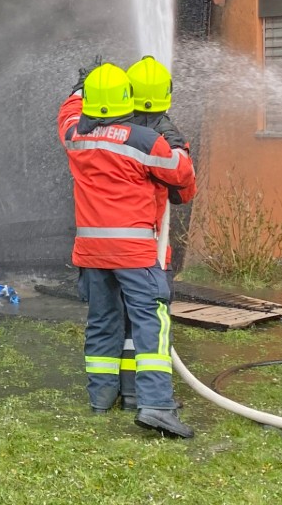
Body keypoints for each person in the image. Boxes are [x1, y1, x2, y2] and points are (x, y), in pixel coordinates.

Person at [59, 62, 197, 438]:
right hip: (135, 252)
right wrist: (178, 146)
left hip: (91, 252)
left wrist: (77, 90)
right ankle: (156, 405)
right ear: (126, 99)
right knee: (151, 324)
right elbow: (182, 178)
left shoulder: (76, 137)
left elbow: (68, 114)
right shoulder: (143, 140)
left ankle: (102, 400)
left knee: (103, 321)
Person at [114, 55, 193, 410]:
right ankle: (149, 399)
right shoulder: (164, 136)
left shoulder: (109, 127)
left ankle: (120, 389)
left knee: (118, 320)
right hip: (148, 248)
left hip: (107, 249)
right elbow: (183, 191)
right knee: (150, 323)